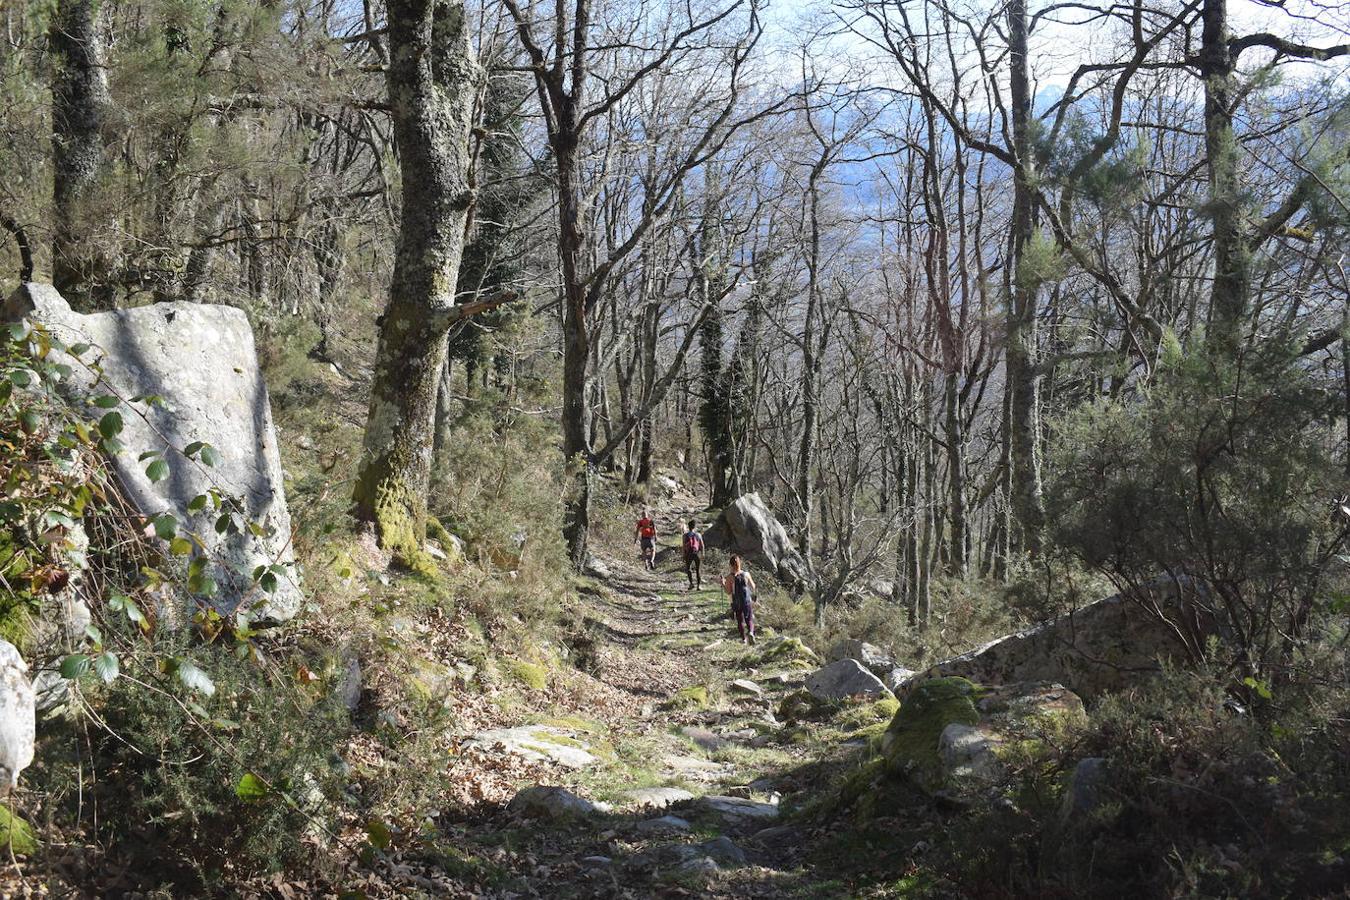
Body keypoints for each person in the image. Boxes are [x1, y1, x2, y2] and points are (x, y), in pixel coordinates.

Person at [723, 554, 756, 644]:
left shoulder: (730, 577)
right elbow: (753, 587)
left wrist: (722, 583)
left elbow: (728, 592)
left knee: (740, 620)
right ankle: (751, 632)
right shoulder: (746, 574)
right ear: (739, 563)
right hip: (746, 600)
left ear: (730, 565)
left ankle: (743, 639)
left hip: (736, 602)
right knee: (749, 619)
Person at [681, 520, 704, 590]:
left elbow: (684, 546)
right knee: (698, 570)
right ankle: (698, 586)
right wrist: (703, 553)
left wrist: (683, 554)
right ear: (695, 527)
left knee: (688, 569)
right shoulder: (698, 535)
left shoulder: (685, 535)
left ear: (688, 526)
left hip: (688, 554)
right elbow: (702, 545)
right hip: (696, 553)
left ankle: (691, 584)